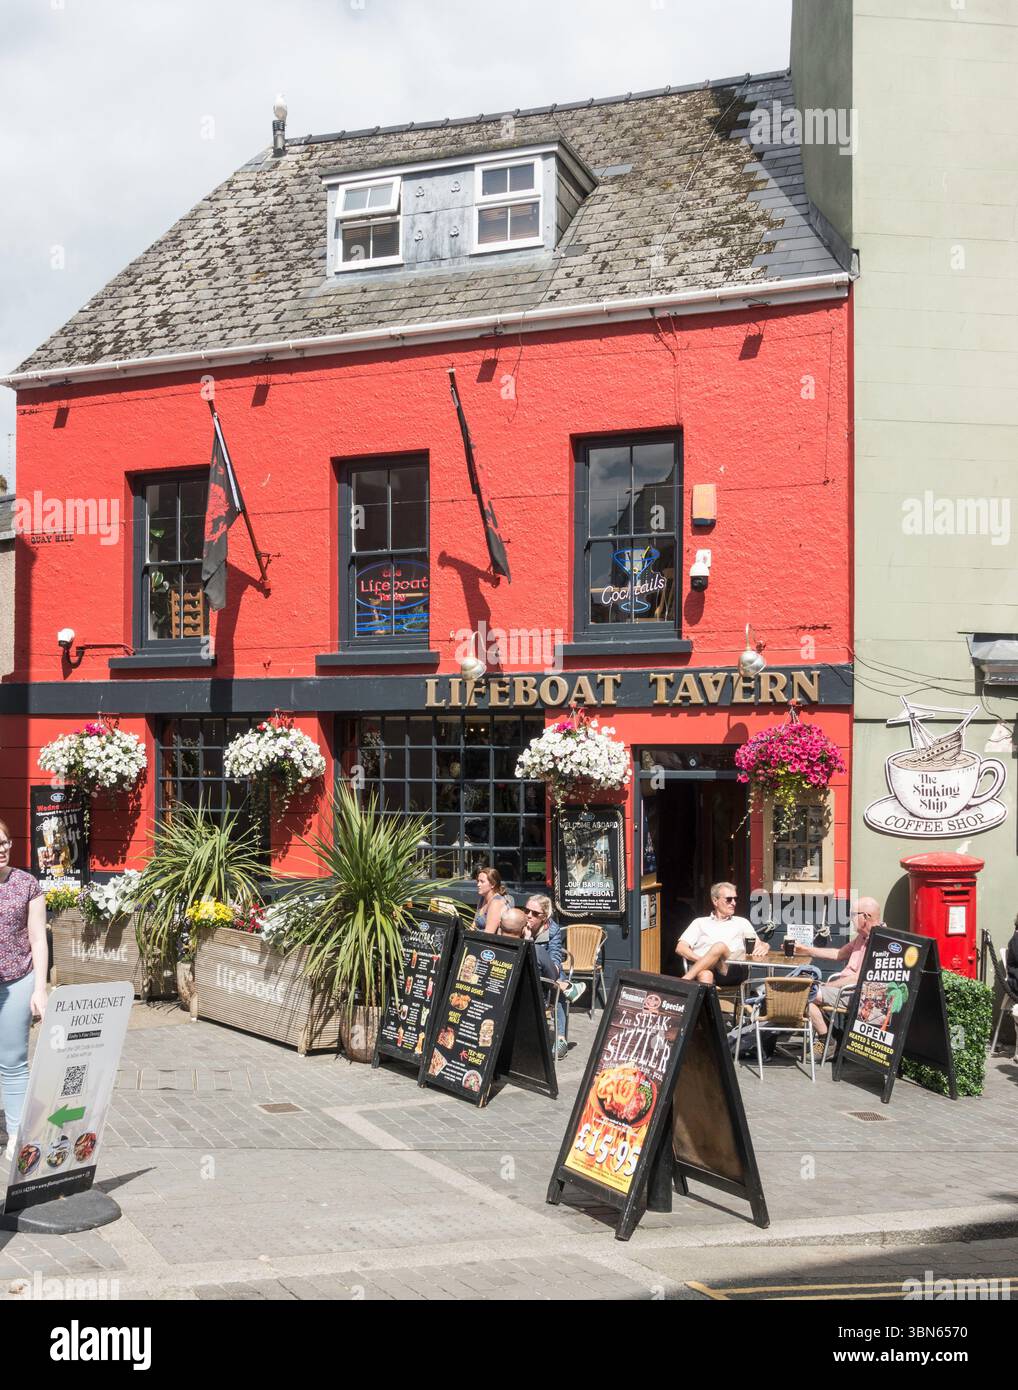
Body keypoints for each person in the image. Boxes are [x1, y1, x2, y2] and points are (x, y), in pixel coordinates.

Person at [0, 818, 49, 1160]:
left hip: (18, 979)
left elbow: (37, 940)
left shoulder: (26, 884)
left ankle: (17, 1132)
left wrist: (40, 989)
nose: (1, 849)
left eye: (4, 842)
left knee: (13, 1060)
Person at [791, 896, 881, 1060]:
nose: (850, 918)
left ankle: (827, 1041)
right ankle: (830, 1037)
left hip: (856, 994)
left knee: (804, 994)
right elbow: (838, 954)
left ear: (865, 917)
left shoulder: (879, 940)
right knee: (804, 992)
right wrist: (805, 950)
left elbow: (858, 978)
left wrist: (828, 986)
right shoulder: (862, 936)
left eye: (853, 914)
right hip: (844, 989)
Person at [522, 894, 584, 1060]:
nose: (528, 915)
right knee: (559, 986)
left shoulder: (553, 929)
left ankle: (560, 1039)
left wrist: (553, 974)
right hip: (525, 973)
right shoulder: (518, 923)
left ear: (544, 917)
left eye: (535, 913)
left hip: (545, 973)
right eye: (526, 910)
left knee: (556, 990)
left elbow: (555, 958)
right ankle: (567, 987)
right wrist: (527, 939)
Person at [676, 882, 768, 985]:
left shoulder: (742, 922)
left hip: (730, 970)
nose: (733, 903)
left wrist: (765, 946)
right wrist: (705, 961)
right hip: (703, 969)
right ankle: (710, 1001)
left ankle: (683, 982)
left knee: (719, 946)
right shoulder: (699, 922)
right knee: (705, 974)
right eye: (729, 899)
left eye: (735, 899)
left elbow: (759, 944)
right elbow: (680, 948)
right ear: (715, 901)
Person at [475, 866, 511, 934]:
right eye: (478, 881)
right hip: (476, 938)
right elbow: (474, 925)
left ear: (493, 884)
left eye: (482, 882)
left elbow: (489, 933)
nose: (478, 884)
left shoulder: (496, 903)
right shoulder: (482, 898)